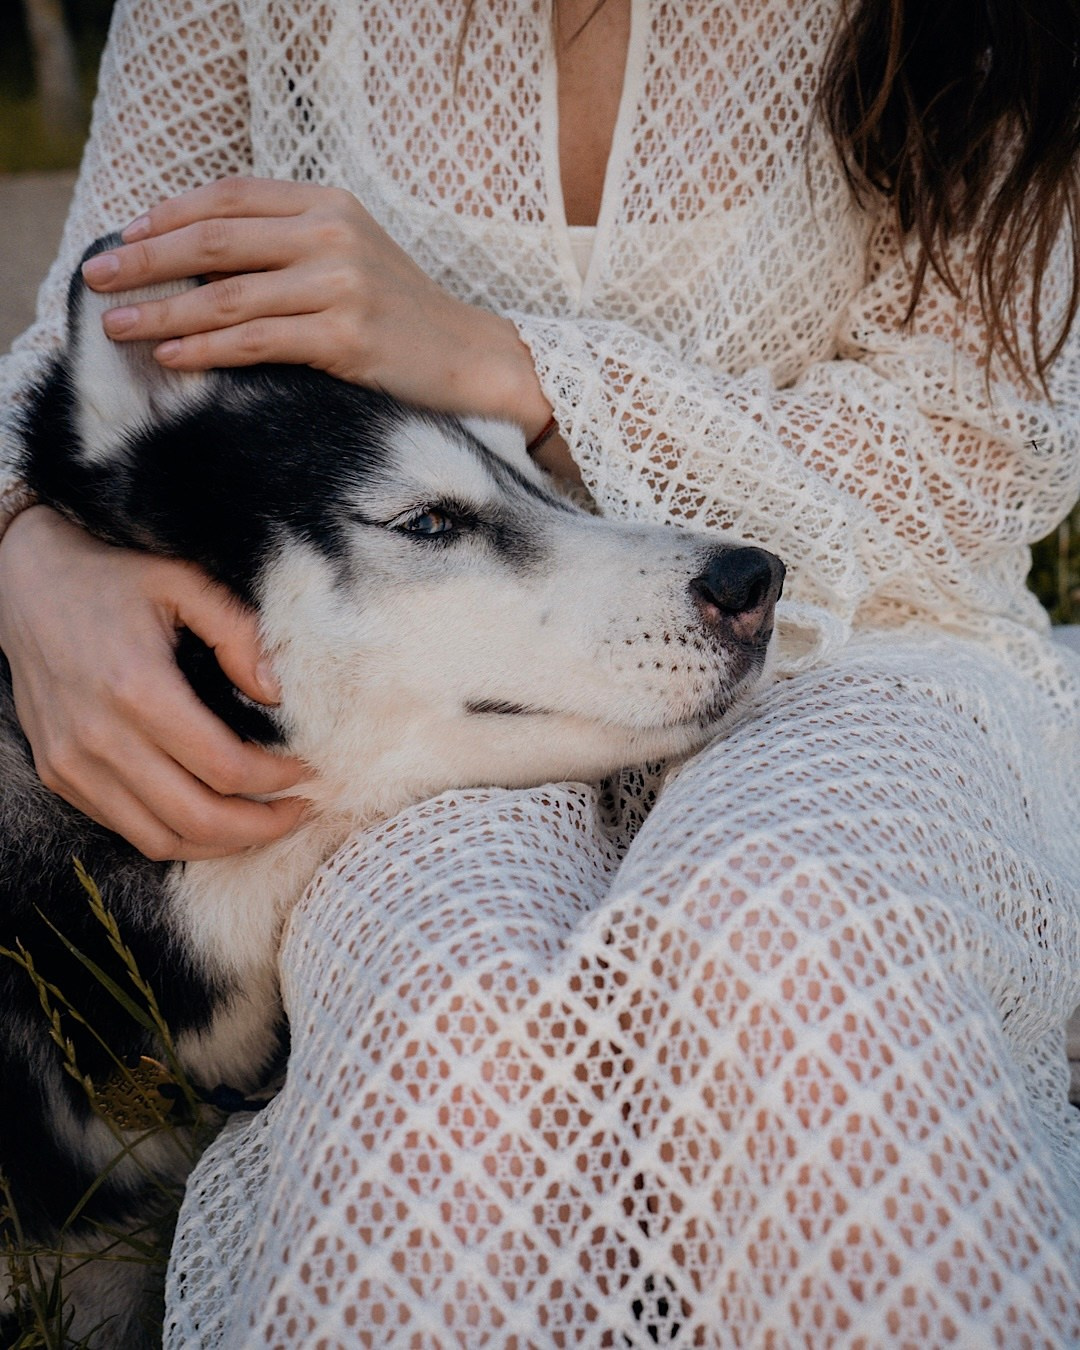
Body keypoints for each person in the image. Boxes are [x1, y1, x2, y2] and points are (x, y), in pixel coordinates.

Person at [1, 0, 1078, 1343]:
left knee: (794, 953)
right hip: (437, 727)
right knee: (456, 1037)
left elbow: (986, 446)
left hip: (870, 649)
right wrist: (28, 540)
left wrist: (509, 366)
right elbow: (98, 326)